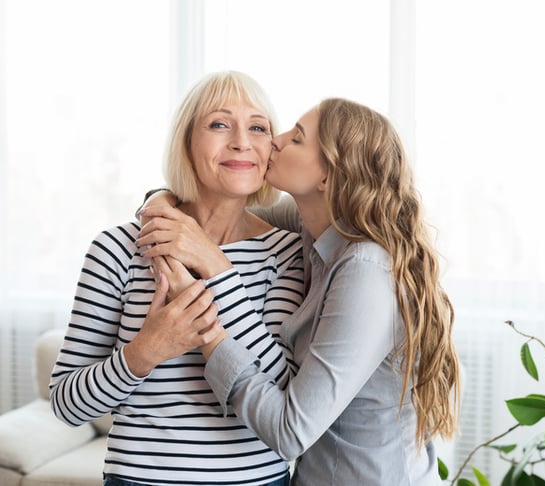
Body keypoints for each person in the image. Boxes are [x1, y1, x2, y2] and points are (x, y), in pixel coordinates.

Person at [137, 97, 461, 485]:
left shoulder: (365, 270)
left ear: (326, 177)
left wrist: (205, 324)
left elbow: (290, 431)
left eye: (297, 138)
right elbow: (212, 211)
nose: (275, 139)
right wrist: (160, 201)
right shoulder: (315, 227)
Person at [49, 71, 305, 486]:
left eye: (258, 127)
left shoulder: (287, 253)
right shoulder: (116, 250)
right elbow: (66, 405)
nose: (241, 140)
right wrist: (145, 351)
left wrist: (217, 268)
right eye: (220, 124)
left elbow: (284, 395)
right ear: (186, 142)